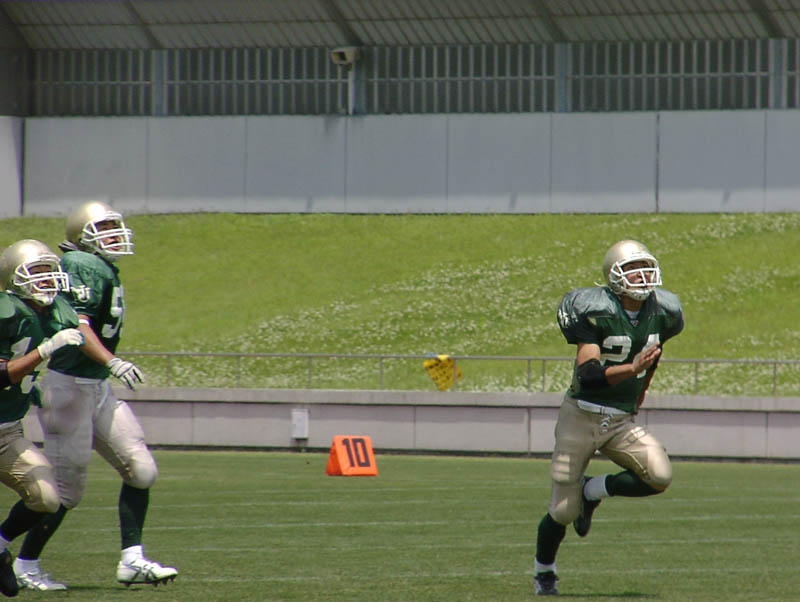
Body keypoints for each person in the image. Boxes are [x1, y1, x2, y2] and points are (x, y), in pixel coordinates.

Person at [14, 201, 178, 591]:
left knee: (141, 470)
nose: (115, 235)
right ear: (83, 233)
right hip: (69, 387)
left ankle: (132, 560)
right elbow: (79, 325)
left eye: (115, 227)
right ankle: (23, 562)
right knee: (63, 493)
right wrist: (113, 360)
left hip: (95, 385)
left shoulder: (101, 266)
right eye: (104, 228)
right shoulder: (83, 264)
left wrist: (106, 368)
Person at [533, 240, 684, 596]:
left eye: (645, 267)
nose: (642, 276)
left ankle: (592, 490)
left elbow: (653, 358)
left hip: (619, 421)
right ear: (614, 275)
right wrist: (631, 369)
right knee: (563, 512)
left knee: (660, 475)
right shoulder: (593, 308)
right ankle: (544, 571)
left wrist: (639, 395)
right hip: (581, 415)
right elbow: (588, 374)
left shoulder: (664, 310)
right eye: (632, 269)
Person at [0, 239, 85, 598]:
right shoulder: (4, 311)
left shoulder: (52, 312)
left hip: (6, 432)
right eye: (37, 272)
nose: (48, 279)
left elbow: (82, 326)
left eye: (51, 272)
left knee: (47, 498)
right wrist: (45, 349)